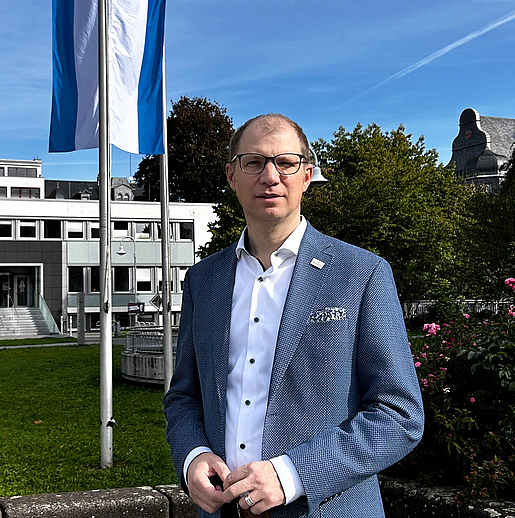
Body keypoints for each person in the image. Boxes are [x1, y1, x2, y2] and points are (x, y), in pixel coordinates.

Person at [163, 113, 423, 518]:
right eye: (254, 162)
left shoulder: (362, 273)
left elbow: (399, 414)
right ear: (232, 176)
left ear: (307, 175)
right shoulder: (203, 280)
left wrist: (291, 474)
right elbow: (183, 396)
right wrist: (193, 455)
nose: (270, 176)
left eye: (285, 162)